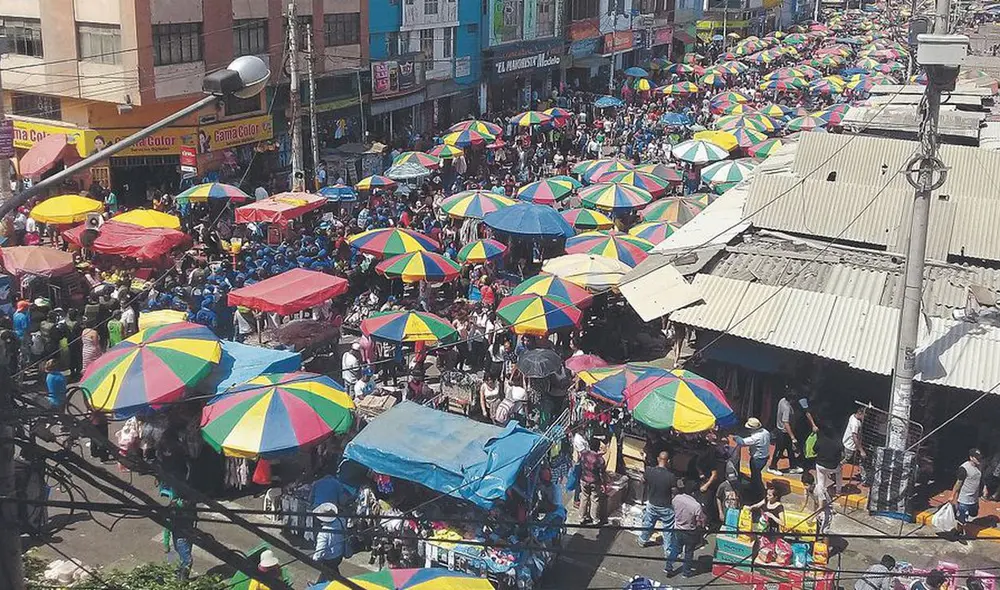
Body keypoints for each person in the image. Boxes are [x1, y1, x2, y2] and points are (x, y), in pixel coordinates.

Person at [638, 450, 677, 559]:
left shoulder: (649, 471)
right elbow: (675, 492)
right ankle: (667, 551)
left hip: (652, 503)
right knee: (668, 529)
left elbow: (642, 481)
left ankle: (642, 540)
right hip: (665, 507)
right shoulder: (671, 476)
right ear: (668, 461)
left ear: (658, 459)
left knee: (648, 523)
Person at [666, 479, 705, 578]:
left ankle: (668, 566)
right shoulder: (696, 506)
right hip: (690, 532)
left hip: (678, 529)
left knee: (675, 548)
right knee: (689, 552)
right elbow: (699, 521)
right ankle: (686, 572)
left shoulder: (676, 498)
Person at [734, 417, 771, 503]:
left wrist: (736, 437)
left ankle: (759, 493)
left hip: (757, 459)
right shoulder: (766, 432)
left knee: (756, 476)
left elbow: (742, 442)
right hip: (764, 457)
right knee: (756, 475)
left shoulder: (756, 437)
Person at [951, 448, 985, 539]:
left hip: (974, 498)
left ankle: (961, 519)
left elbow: (980, 479)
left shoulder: (979, 466)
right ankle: (958, 532)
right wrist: (952, 495)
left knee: (974, 513)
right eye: (977, 458)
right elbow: (958, 483)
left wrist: (984, 488)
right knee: (962, 519)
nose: (979, 460)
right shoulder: (964, 468)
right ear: (971, 457)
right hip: (964, 499)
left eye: (979, 458)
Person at [769, 389, 804, 475]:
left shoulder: (782, 400)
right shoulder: (787, 408)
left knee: (790, 449)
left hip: (784, 431)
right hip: (783, 432)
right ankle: (772, 467)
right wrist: (792, 437)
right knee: (779, 450)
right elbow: (786, 422)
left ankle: (793, 466)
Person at [162, 492, 196, 580]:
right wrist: (166, 544)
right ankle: (182, 582)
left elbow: (194, 519)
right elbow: (167, 526)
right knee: (188, 560)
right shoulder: (174, 508)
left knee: (184, 560)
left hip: (189, 535)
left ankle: (180, 578)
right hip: (180, 538)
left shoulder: (191, 505)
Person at [313, 503, 346, 583]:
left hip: (329, 559)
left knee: (329, 574)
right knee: (332, 573)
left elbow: (320, 551)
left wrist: (314, 559)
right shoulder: (341, 520)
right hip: (340, 554)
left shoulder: (323, 533)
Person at [578, 437, 607, 525]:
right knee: (595, 499)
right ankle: (595, 519)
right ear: (598, 447)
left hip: (584, 479)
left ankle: (581, 518)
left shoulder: (583, 454)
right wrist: (603, 484)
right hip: (595, 481)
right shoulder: (600, 459)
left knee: (584, 498)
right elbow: (602, 473)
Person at [843, 405, 867, 484]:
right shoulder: (855, 423)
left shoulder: (853, 416)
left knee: (860, 460)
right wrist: (861, 450)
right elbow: (854, 437)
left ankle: (863, 476)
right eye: (864, 415)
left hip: (851, 444)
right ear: (860, 413)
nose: (865, 417)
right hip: (851, 445)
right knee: (847, 459)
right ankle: (834, 469)